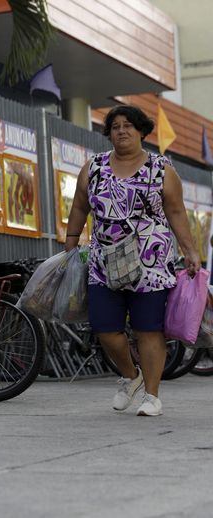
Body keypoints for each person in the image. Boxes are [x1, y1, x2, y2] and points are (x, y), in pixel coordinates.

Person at [64, 104, 201, 417]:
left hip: (150, 263)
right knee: (104, 328)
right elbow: (79, 207)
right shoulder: (94, 166)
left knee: (148, 329)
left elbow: (177, 213)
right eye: (115, 126)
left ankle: (152, 396)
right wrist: (71, 243)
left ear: (141, 131)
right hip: (104, 262)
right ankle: (130, 375)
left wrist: (190, 250)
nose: (121, 131)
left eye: (128, 125)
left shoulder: (161, 169)